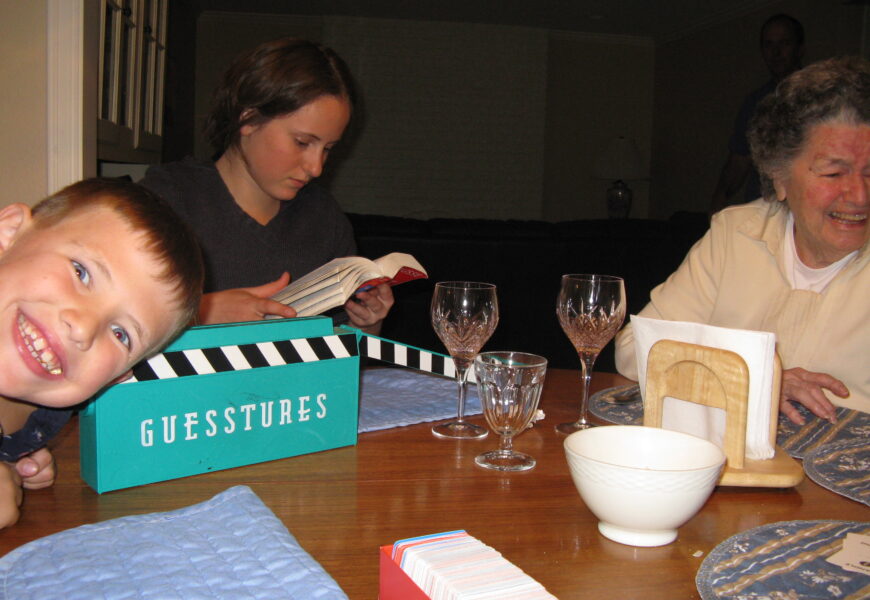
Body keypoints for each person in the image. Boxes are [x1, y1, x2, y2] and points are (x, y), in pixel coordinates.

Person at [616, 56, 869, 425]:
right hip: (727, 465)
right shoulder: (736, 235)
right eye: (833, 172)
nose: (859, 195)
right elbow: (633, 350)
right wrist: (754, 379)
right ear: (779, 176)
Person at [141, 37, 394, 334]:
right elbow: (111, 326)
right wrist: (200, 313)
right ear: (247, 118)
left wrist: (367, 321)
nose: (316, 167)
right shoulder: (164, 202)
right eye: (302, 142)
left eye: (328, 148)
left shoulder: (324, 219)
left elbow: (341, 351)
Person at [0, 178, 204, 528]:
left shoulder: (44, 417)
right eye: (81, 272)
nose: (83, 327)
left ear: (118, 377)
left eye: (121, 334)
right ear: (9, 233)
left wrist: (9, 461)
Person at [711, 14, 805, 213]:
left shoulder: (819, 97)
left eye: (784, 43)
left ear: (799, 47)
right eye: (769, 45)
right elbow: (739, 161)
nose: (776, 52)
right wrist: (718, 204)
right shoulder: (756, 102)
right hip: (764, 210)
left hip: (804, 209)